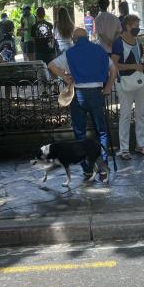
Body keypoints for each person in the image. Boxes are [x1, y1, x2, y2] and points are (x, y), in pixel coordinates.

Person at [49, 28, 118, 182]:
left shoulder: (70, 52)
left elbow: (51, 65)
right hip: (96, 93)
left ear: (74, 39)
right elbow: (114, 69)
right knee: (102, 131)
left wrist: (65, 77)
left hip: (78, 94)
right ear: (87, 37)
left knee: (79, 132)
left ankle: (87, 169)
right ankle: (103, 166)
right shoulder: (99, 50)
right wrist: (108, 87)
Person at [111, 14, 144, 158]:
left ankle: (141, 145)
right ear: (127, 26)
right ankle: (124, 149)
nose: (138, 28)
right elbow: (114, 64)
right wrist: (134, 66)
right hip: (124, 81)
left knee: (140, 113)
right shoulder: (118, 43)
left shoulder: (137, 41)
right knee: (126, 115)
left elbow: (140, 58)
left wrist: (143, 61)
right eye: (136, 26)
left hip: (139, 80)